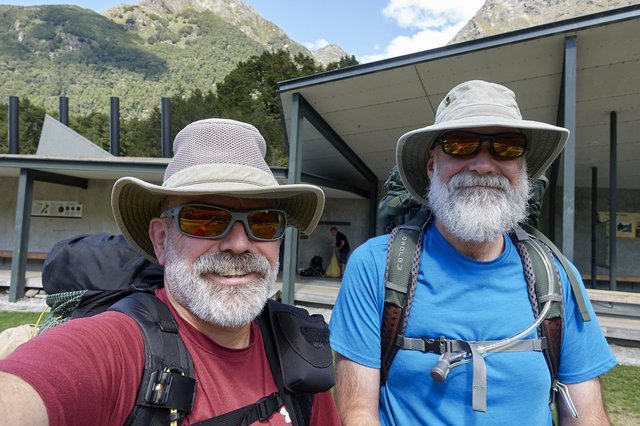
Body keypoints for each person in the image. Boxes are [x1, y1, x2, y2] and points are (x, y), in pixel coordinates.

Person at [0, 118, 340, 425]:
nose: (239, 244)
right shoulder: (117, 347)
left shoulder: (298, 351)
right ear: (161, 240)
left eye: (264, 222)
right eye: (204, 220)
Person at [329, 80, 617, 425]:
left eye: (507, 147)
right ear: (432, 165)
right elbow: (358, 411)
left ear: (522, 169)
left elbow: (586, 415)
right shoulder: (376, 266)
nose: (483, 165)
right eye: (461, 144)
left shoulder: (555, 275)